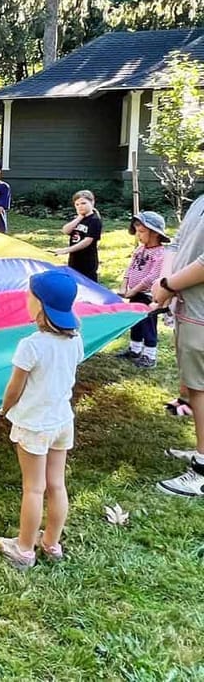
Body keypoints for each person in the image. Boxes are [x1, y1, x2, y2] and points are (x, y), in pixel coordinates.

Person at [0, 270, 82, 569]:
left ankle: (24, 549)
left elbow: (15, 387)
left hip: (34, 425)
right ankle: (51, 543)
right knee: (57, 485)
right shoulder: (76, 340)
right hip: (62, 421)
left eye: (29, 296)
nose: (26, 300)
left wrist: (5, 408)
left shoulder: (31, 345)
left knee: (33, 488)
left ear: (40, 305)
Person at [151, 195, 204, 496]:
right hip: (187, 307)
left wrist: (170, 285)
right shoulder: (200, 201)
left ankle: (202, 470)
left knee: (200, 388)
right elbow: (177, 244)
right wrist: (164, 283)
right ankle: (201, 451)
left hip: (201, 313)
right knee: (195, 387)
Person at [116, 211, 168, 369]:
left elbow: (153, 276)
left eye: (141, 231)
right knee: (135, 322)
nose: (138, 235)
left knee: (147, 324)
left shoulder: (160, 254)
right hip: (135, 293)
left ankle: (149, 355)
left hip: (148, 296)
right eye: (137, 231)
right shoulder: (140, 249)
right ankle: (135, 349)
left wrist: (135, 290)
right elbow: (131, 267)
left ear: (155, 233)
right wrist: (125, 285)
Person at [53, 190, 102, 282]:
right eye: (77, 204)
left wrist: (66, 250)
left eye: (83, 203)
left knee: (87, 283)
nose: (80, 206)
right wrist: (79, 217)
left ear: (92, 202)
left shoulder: (94, 220)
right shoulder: (80, 219)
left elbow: (87, 241)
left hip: (87, 260)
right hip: (74, 258)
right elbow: (66, 230)